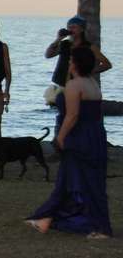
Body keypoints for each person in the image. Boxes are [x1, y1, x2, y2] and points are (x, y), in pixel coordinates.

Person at [26, 47, 111, 239]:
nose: (69, 63)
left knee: (73, 179)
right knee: (85, 180)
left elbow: (72, 116)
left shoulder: (75, 85)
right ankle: (48, 218)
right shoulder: (92, 83)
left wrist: (60, 137)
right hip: (94, 134)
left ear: (77, 63)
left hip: (79, 135)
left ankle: (94, 226)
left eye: (72, 60)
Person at [44, 16, 111, 91]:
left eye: (74, 27)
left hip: (77, 86)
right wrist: (58, 39)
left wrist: (87, 72)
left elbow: (107, 64)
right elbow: (48, 55)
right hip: (60, 84)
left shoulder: (89, 47)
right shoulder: (64, 44)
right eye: (69, 27)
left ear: (82, 29)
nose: (70, 30)